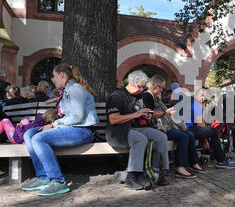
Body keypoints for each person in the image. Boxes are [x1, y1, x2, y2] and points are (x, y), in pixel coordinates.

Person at [20, 64, 98, 196]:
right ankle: (43, 177)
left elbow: (77, 117)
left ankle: (58, 181)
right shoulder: (67, 90)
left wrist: (53, 125)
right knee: (29, 134)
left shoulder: (75, 89)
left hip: (82, 130)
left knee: (38, 138)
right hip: (70, 128)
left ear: (62, 75)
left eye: (54, 76)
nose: (53, 79)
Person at [105, 70, 170, 190]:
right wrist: (135, 114)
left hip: (136, 128)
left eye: (143, 87)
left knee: (161, 137)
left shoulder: (139, 96)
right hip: (118, 132)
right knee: (140, 139)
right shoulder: (117, 96)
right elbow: (113, 119)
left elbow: (142, 112)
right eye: (140, 87)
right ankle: (132, 176)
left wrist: (146, 114)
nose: (142, 90)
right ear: (131, 82)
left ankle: (161, 172)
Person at [145, 75, 204, 179]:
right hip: (158, 128)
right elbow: (148, 114)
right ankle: (180, 167)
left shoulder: (155, 98)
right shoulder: (147, 96)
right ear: (155, 85)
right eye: (161, 87)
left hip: (165, 126)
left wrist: (168, 111)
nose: (162, 90)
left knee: (189, 134)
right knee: (183, 136)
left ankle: (193, 162)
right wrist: (166, 112)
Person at [187, 87, 235, 169]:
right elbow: (199, 124)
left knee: (210, 130)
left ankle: (220, 157)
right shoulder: (196, 104)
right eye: (205, 99)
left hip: (186, 128)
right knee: (213, 131)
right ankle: (221, 160)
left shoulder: (188, 101)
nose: (204, 101)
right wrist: (205, 141)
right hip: (190, 129)